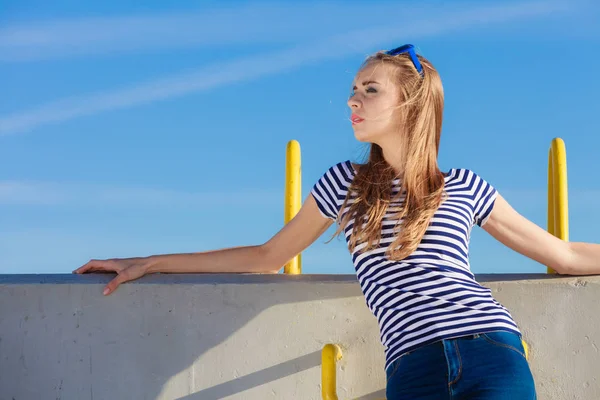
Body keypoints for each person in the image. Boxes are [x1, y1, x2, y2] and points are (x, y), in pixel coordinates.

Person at [74, 44, 600, 399]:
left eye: (370, 89)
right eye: (353, 88)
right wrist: (150, 262)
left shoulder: (461, 184)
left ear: (411, 102)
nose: (353, 99)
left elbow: (565, 255)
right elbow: (267, 257)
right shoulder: (344, 185)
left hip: (490, 348)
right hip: (411, 365)